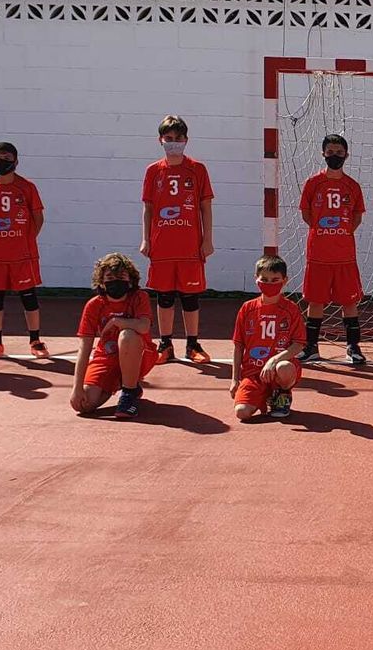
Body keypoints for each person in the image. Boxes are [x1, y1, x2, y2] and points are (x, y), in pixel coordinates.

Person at [141, 115, 214, 365]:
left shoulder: (197, 169)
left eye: (178, 138)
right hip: (162, 245)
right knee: (164, 296)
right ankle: (165, 344)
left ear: (186, 140)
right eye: (168, 138)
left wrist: (207, 239)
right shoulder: (153, 171)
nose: (173, 142)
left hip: (190, 245)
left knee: (190, 296)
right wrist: (146, 239)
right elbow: (148, 209)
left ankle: (193, 344)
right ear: (160, 140)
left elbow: (205, 207)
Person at [298, 133, 368, 366]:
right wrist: (323, 230)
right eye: (330, 152)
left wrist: (342, 232)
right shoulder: (313, 183)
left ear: (346, 155)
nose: (334, 156)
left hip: (344, 255)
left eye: (339, 152)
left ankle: (353, 347)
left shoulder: (352, 186)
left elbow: (357, 217)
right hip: (318, 254)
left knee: (349, 301)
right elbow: (306, 214)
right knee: (315, 301)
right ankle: (311, 347)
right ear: (323, 154)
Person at [0, 142, 49, 361]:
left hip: (22, 253)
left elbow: (38, 218)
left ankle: (35, 341)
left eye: (7, 158)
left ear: (16, 162)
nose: (2, 162)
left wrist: (25, 240)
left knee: (28, 295)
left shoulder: (27, 187)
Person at [70, 253, 158, 419]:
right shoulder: (94, 305)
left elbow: (144, 326)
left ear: (130, 281)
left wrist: (117, 321)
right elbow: (84, 347)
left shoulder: (139, 297)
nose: (115, 282)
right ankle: (121, 382)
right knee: (82, 404)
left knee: (127, 335)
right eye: (110, 278)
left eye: (121, 277)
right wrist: (77, 387)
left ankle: (129, 392)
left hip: (139, 353)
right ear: (101, 282)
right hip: (107, 356)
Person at [230, 256, 305, 421]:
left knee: (284, 367)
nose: (269, 284)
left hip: (278, 368)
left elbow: (299, 344)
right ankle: (264, 396)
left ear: (285, 280)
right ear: (256, 279)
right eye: (264, 279)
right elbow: (238, 345)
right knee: (242, 412)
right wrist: (235, 379)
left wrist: (273, 360)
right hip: (253, 372)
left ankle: (282, 393)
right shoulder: (247, 308)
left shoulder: (291, 309)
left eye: (275, 280)